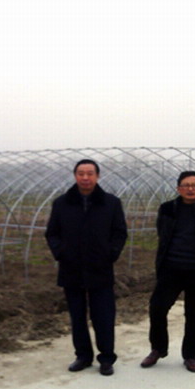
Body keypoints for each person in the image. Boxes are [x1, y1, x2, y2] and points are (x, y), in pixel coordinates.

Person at [140, 171, 195, 373]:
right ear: (178, 188)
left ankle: (190, 356)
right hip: (171, 269)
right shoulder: (167, 209)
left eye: (194, 185)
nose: (190, 189)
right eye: (186, 185)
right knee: (157, 308)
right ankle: (158, 349)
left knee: (194, 313)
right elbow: (162, 234)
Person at [45, 159, 128, 376]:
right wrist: (61, 253)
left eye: (90, 173)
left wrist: (110, 253)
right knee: (77, 316)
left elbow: (119, 232)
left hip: (100, 268)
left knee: (104, 316)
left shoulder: (110, 203)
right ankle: (83, 356)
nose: (85, 177)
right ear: (75, 176)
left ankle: (106, 358)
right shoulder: (62, 203)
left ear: (97, 176)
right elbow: (52, 233)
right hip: (71, 269)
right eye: (81, 173)